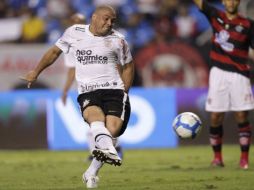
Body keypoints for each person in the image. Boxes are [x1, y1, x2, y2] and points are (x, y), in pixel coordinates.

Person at [21, 5, 134, 188]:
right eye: (106, 18)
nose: (109, 23)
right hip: (88, 91)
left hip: (114, 90)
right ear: (94, 17)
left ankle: (91, 173)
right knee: (94, 118)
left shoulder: (118, 39)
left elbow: (128, 65)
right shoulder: (74, 33)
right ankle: (108, 151)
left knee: (111, 131)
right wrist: (35, 72)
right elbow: (53, 53)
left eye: (113, 20)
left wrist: (125, 91)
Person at [193, 0, 254, 169]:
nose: (231, 2)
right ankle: (217, 158)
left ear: (238, 2)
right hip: (218, 73)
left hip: (239, 74)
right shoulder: (216, 16)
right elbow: (199, 3)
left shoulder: (248, 24)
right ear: (223, 1)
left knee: (241, 116)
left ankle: (244, 159)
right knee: (215, 117)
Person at [61, 12, 124, 162]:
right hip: (87, 89)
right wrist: (66, 89)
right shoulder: (72, 42)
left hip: (103, 87)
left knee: (96, 125)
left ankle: (106, 150)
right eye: (74, 20)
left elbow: (115, 61)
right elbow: (72, 69)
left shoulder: (98, 39)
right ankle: (110, 148)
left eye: (80, 21)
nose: (77, 23)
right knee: (96, 124)